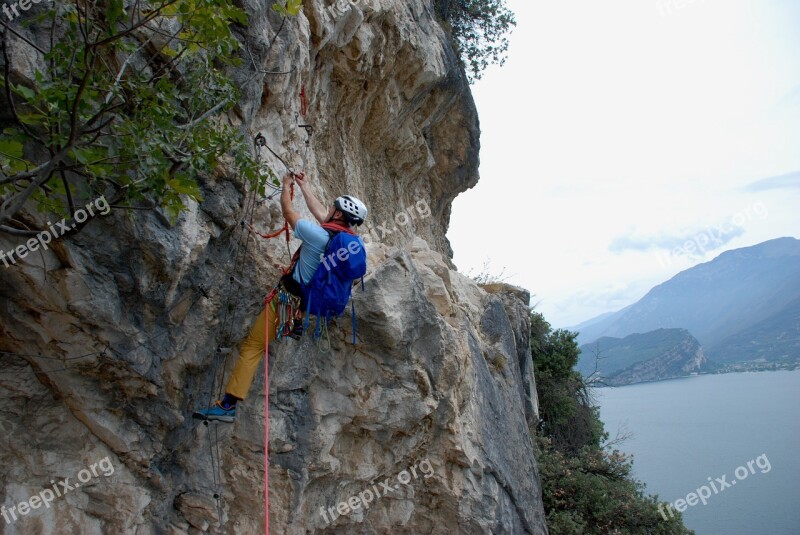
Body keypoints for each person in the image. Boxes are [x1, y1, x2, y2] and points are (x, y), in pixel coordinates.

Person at [193, 171, 368, 422]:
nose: (328, 209)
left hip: (287, 300)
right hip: (309, 301)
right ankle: (293, 323)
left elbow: (288, 213)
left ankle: (227, 405)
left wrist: (286, 186)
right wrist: (304, 186)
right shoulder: (345, 240)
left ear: (339, 214)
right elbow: (321, 212)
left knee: (253, 346)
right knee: (267, 331)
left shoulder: (315, 234)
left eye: (333, 207)